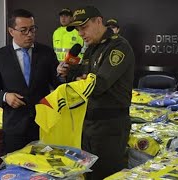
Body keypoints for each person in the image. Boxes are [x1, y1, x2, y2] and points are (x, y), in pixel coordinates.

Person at [57, 5, 135, 180]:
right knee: (88, 175)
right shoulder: (91, 48)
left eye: (83, 27)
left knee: (106, 175)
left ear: (99, 21)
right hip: (88, 124)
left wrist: (80, 79)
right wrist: (68, 72)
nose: (80, 33)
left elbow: (98, 84)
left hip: (110, 126)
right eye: (77, 29)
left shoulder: (119, 46)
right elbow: (83, 78)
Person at [0, 9, 61, 153]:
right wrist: (5, 97)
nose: (30, 34)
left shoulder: (46, 53)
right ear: (11, 31)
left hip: (43, 125)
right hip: (15, 127)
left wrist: (64, 75)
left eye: (32, 29)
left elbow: (58, 83)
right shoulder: (0, 57)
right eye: (24, 30)